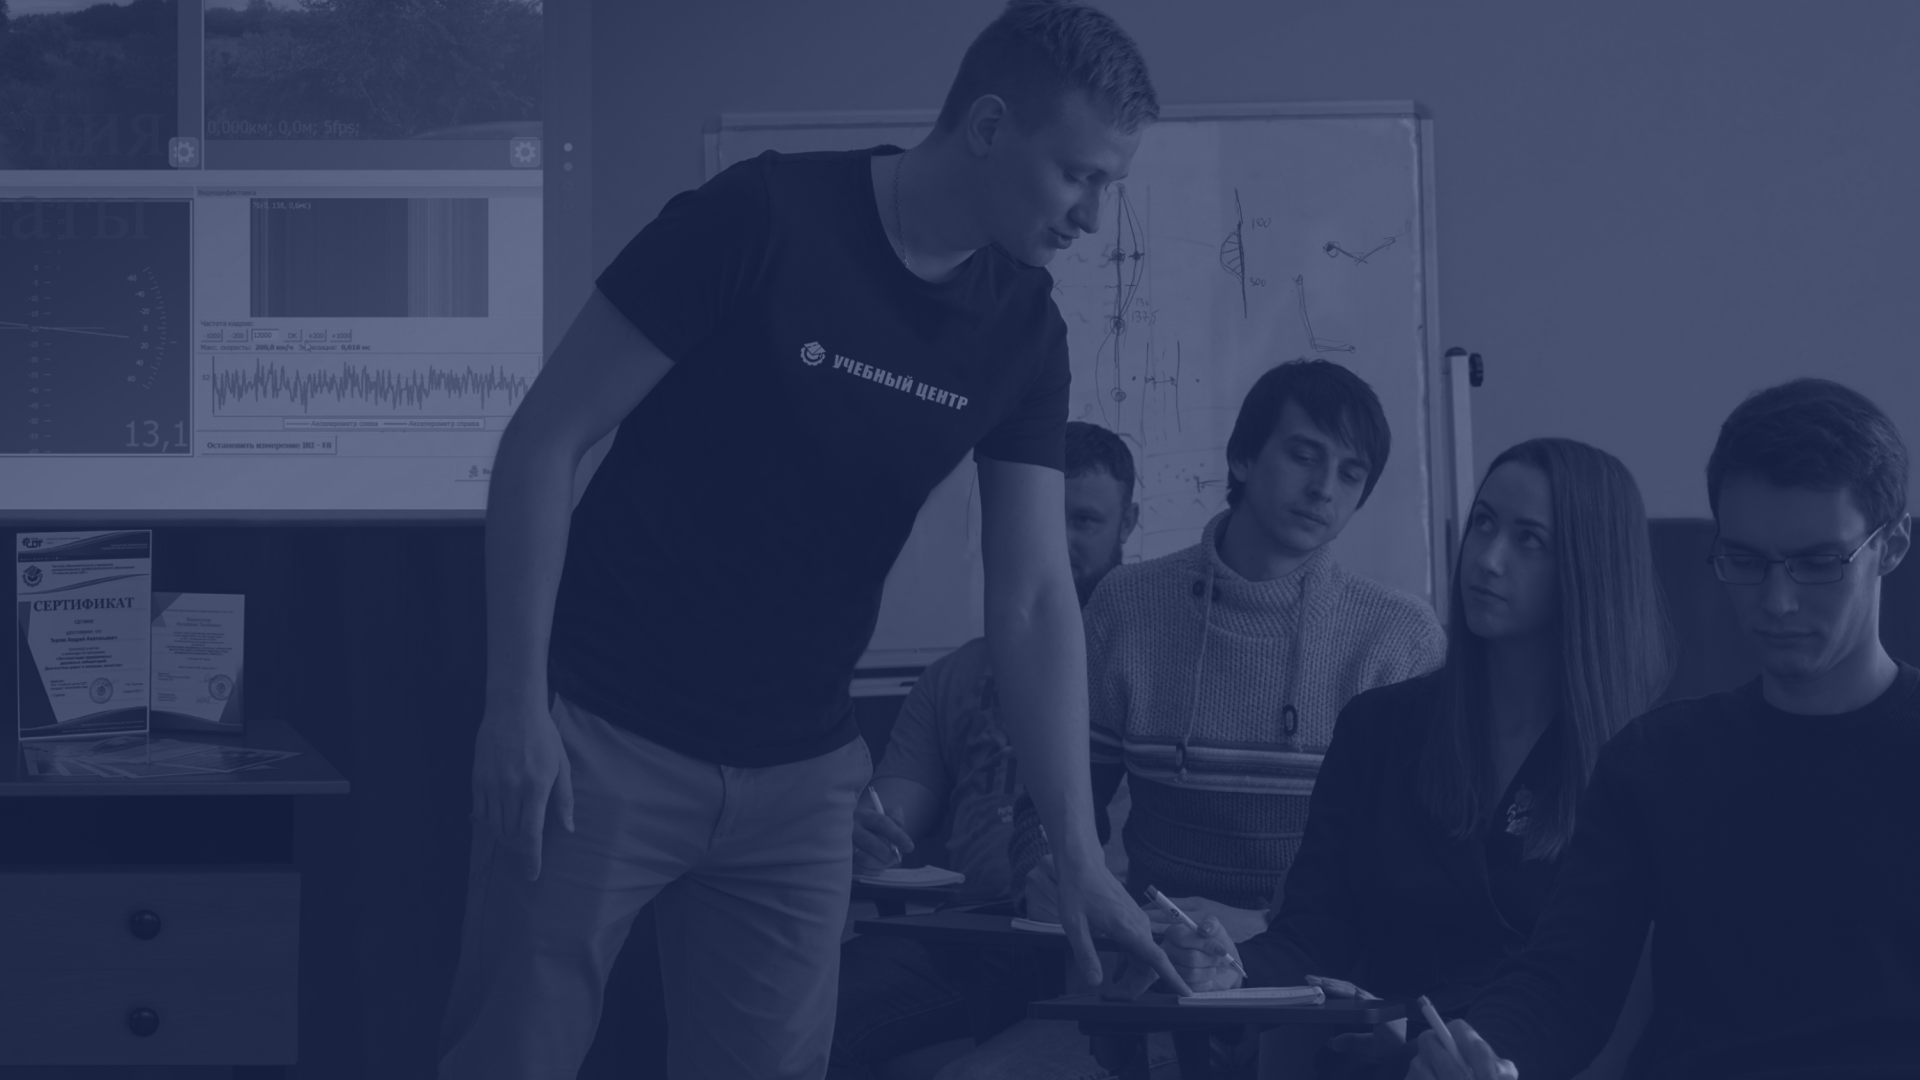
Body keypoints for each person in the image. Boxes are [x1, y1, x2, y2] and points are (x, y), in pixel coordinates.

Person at [436, 4, 1191, 1078]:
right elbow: (544, 442)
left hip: (800, 778)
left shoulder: (1024, 330)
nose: (1093, 217)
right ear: (988, 126)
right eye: (1078, 177)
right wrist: (516, 707)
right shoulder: (762, 216)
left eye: (1108, 185)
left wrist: (1079, 853)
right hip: (598, 733)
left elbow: (1031, 597)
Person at [939, 359, 1450, 1080]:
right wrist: (1050, 869)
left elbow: (1406, 868)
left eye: (1350, 473)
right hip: (1160, 980)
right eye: (1304, 455)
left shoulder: (1399, 637)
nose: (1323, 489)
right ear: (1242, 457)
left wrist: (1264, 929)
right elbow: (1046, 810)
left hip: (1323, 996)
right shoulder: (1128, 606)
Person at [1402, 378, 1919, 1080]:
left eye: (1818, 563)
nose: (1777, 600)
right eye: (1745, 560)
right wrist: (1484, 1053)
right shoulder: (1660, 761)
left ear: (1892, 545)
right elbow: (1565, 982)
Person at [1160, 437, 1673, 1080]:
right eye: (1483, 524)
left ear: (1589, 567)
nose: (1487, 559)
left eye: (1529, 540)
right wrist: (1230, 969)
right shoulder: (1381, 726)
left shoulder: (1643, 757)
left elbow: (1603, 990)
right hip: (1376, 1056)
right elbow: (1314, 931)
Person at [829, 421, 1140, 1080]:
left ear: (1128, 525)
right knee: (805, 1009)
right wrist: (867, 830)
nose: (1057, 539)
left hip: (1104, 938)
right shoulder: (953, 676)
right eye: (1044, 518)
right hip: (971, 935)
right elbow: (893, 815)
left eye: (1084, 520)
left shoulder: (1145, 665)